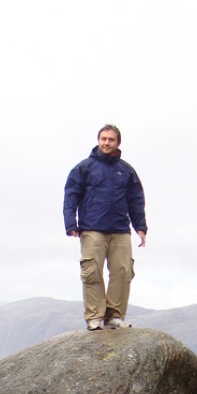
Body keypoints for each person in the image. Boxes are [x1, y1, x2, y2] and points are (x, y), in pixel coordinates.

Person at [63, 125, 147, 331]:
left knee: (123, 271)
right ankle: (95, 317)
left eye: (111, 139)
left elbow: (136, 200)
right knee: (92, 272)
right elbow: (71, 196)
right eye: (103, 139)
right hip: (92, 229)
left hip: (120, 229)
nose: (106, 143)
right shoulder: (84, 168)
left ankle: (114, 316)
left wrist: (141, 227)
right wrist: (70, 224)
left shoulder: (126, 171)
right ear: (98, 140)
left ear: (118, 143)